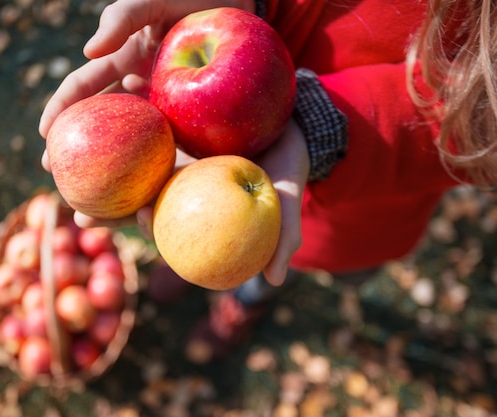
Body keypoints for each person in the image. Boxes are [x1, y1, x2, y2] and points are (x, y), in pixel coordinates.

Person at [39, 0, 497, 363]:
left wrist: (322, 125)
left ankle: (245, 302)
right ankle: (181, 238)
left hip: (363, 207)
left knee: (281, 260)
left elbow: (480, 120)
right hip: (214, 178)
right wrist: (249, 5)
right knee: (215, 243)